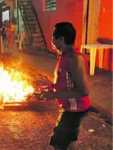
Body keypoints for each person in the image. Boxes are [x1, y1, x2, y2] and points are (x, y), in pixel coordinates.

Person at [39, 22, 91, 150]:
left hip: (75, 109)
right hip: (70, 107)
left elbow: (83, 91)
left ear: (61, 39)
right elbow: (65, 81)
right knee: (71, 138)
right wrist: (51, 86)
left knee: (58, 141)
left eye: (53, 37)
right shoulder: (64, 56)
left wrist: (55, 95)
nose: (51, 41)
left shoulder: (74, 59)